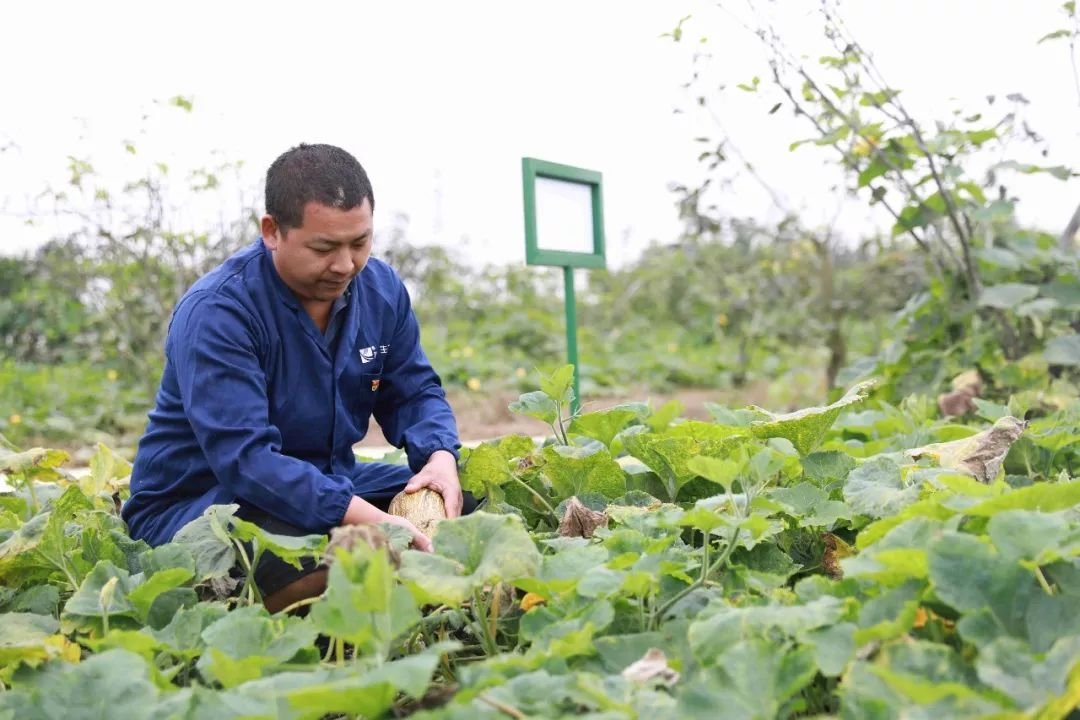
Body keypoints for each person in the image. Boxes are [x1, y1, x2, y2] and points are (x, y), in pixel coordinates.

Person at [122, 143, 469, 612]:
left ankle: (389, 574)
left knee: (463, 506)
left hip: (330, 484)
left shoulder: (382, 290)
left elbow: (415, 391)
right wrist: (370, 523)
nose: (346, 264)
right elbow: (246, 461)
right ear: (272, 231)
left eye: (360, 242)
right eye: (324, 248)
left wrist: (439, 457)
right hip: (210, 503)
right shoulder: (219, 312)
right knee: (325, 558)